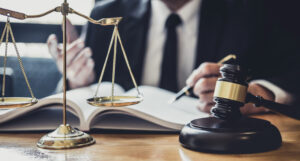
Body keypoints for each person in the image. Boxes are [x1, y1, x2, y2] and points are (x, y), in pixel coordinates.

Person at [47, 0, 300, 114]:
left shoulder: (252, 13)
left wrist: (256, 94)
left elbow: (292, 74)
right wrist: (75, 80)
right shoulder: (106, 16)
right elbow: (78, 98)